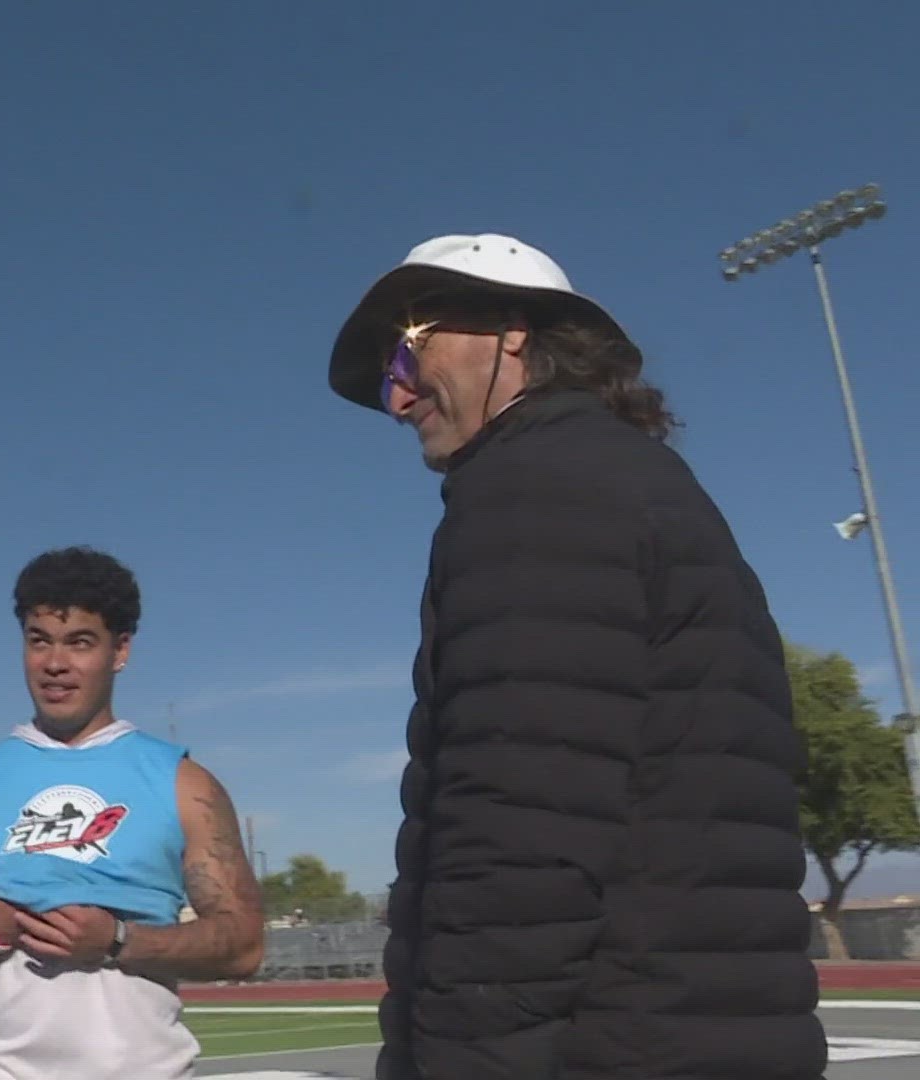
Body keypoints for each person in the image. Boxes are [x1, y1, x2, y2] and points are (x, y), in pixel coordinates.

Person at [327, 234, 826, 1080]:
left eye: (410, 346)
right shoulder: (634, 481)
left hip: (608, 1044)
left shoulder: (533, 489)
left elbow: (520, 840)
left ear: (513, 330)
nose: (400, 394)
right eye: (385, 378)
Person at [0, 546, 265, 1080]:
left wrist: (119, 941)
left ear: (120, 650)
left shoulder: (184, 784)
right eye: (38, 640)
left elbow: (244, 946)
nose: (55, 663)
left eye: (80, 643)